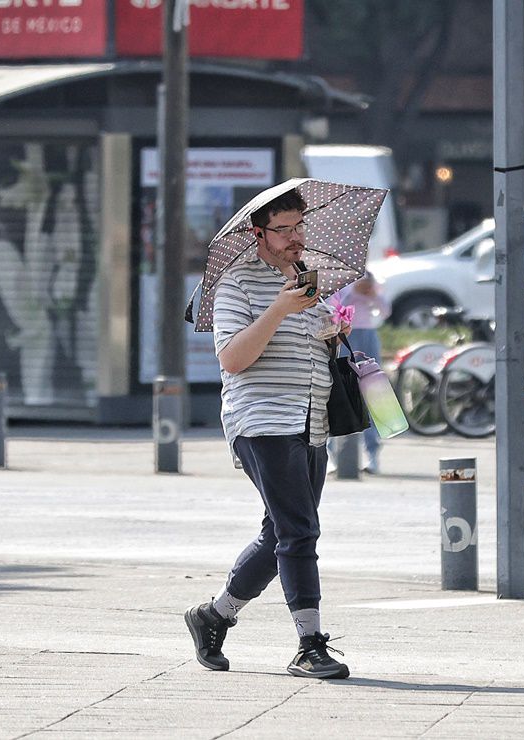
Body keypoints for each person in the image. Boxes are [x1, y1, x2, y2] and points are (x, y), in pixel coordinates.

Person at [184, 189, 350, 680]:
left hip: (312, 420)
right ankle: (309, 644)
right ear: (259, 233)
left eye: (300, 226)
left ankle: (214, 615)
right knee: (300, 531)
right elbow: (232, 358)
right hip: (261, 420)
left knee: (280, 531)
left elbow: (315, 352)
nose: (297, 237)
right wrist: (278, 310)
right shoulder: (236, 284)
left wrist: (335, 331)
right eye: (285, 229)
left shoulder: (308, 282)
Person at [327, 271, 391, 474]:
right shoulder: (338, 280)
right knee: (340, 394)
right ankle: (332, 453)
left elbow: (385, 310)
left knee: (374, 393)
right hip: (344, 337)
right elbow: (334, 309)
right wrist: (354, 291)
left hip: (368, 335)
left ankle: (373, 453)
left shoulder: (368, 277)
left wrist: (372, 294)